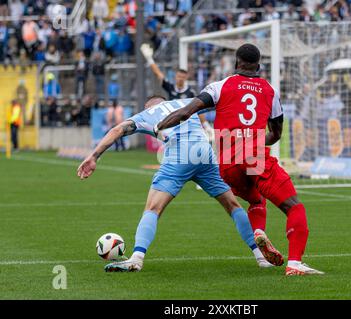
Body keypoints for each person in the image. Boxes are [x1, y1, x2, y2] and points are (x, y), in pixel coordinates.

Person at [156, 44, 324, 276]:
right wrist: (252, 140)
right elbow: (276, 134)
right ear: (259, 65)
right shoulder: (270, 91)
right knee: (294, 207)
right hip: (255, 157)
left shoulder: (219, 86)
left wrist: (159, 125)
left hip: (228, 165)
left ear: (236, 63)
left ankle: (258, 233)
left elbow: (186, 112)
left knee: (256, 200)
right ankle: (295, 263)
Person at [77, 96, 282, 272]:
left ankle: (136, 258)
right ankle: (261, 258)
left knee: (153, 208)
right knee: (233, 205)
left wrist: (94, 156)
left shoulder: (146, 115)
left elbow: (117, 130)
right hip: (204, 153)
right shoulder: (186, 102)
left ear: (149, 106)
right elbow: (224, 105)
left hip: (180, 154)